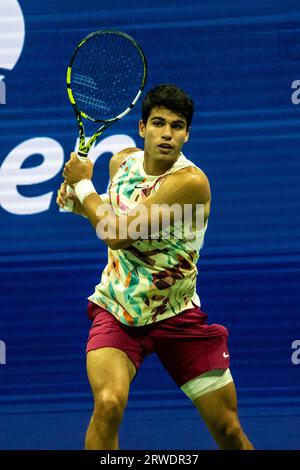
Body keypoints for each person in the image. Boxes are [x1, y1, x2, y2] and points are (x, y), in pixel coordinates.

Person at [57, 84, 254, 450]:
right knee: (109, 403)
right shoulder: (121, 163)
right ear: (142, 128)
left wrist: (82, 183)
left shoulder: (190, 183)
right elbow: (105, 213)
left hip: (177, 315)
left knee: (228, 431)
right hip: (118, 310)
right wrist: (77, 201)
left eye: (177, 126)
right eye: (159, 123)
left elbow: (116, 233)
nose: (167, 134)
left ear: (187, 134)